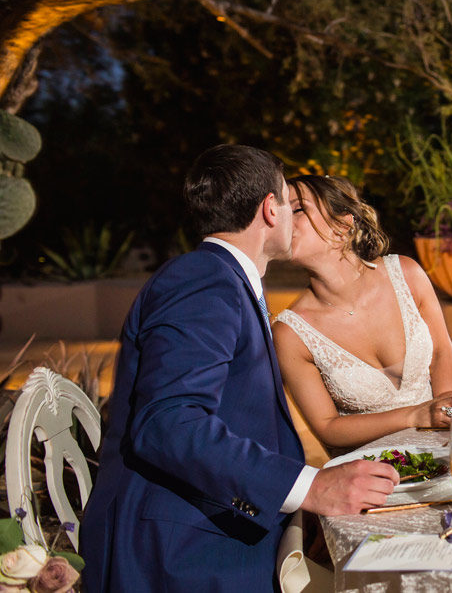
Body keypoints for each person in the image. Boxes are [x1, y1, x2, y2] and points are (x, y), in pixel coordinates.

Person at [80, 146, 400, 592]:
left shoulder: (221, 279)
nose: (291, 214)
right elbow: (168, 423)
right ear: (270, 209)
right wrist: (309, 487)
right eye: (290, 203)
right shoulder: (202, 280)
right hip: (180, 554)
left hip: (215, 529)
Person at [272, 174, 452, 449]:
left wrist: (447, 413)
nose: (282, 221)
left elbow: (440, 353)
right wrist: (417, 415)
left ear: (341, 225)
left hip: (443, 448)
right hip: (371, 471)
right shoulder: (290, 333)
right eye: (279, 213)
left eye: (297, 209)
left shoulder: (407, 274)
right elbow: (328, 427)